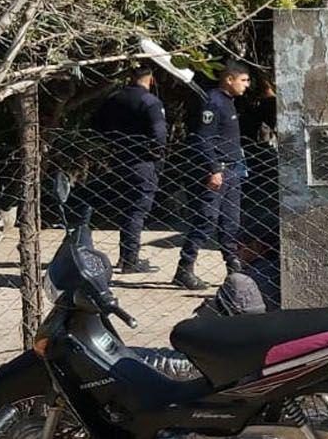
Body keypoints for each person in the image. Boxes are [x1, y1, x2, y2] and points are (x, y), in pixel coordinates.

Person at [174, 61, 252, 291]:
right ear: (229, 79)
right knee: (206, 220)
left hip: (232, 170)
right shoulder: (213, 102)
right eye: (244, 80)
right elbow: (202, 138)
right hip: (216, 172)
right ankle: (184, 268)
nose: (246, 86)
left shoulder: (228, 103)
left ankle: (234, 268)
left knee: (230, 223)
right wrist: (214, 168)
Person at [88, 65, 167, 273]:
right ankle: (130, 259)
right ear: (150, 79)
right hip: (142, 163)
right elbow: (159, 135)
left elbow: (96, 126)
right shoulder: (150, 102)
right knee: (137, 211)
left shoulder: (114, 98)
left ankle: (125, 257)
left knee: (126, 209)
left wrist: (115, 143)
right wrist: (156, 156)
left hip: (118, 160)